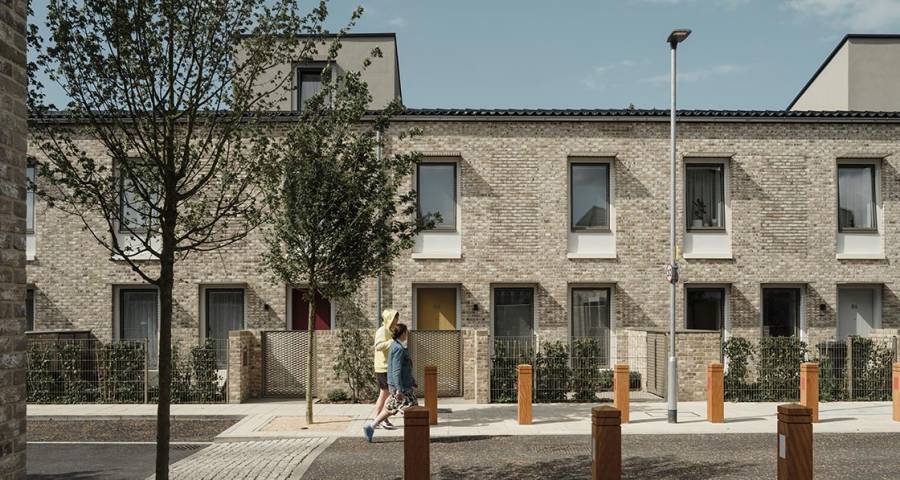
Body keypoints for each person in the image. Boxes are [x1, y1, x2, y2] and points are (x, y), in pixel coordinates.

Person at [363, 323, 417, 442]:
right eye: (406, 332)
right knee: (412, 409)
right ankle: (414, 435)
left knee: (391, 408)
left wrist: (411, 380)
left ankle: (371, 426)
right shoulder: (398, 348)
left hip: (403, 385)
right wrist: (398, 388)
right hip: (402, 387)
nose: (407, 334)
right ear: (403, 333)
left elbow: (403, 368)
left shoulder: (395, 346)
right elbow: (396, 369)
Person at [370, 309, 399, 430]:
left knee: (386, 393)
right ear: (389, 318)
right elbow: (378, 346)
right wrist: (392, 342)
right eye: (395, 318)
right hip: (382, 367)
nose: (397, 320)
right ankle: (377, 418)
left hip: (389, 366)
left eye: (397, 318)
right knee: (385, 393)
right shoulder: (382, 331)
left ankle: (380, 418)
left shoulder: (391, 331)